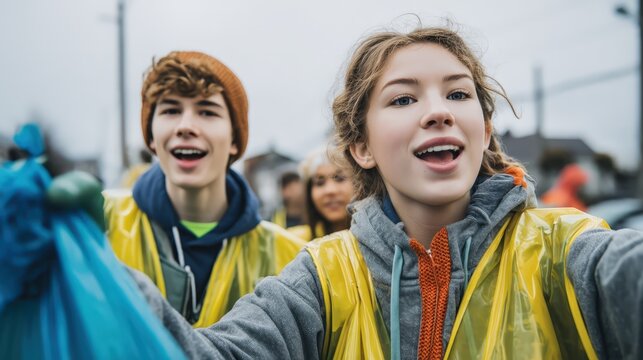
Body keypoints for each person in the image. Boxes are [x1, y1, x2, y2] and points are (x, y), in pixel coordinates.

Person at [59, 26, 643, 359]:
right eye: (403, 98)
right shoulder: (318, 276)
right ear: (360, 146)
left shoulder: (565, 255)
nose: (438, 110)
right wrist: (84, 265)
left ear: (485, 130)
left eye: (459, 94)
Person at [102, 51, 306, 327]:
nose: (186, 126)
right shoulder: (100, 225)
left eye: (207, 112)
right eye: (171, 110)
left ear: (235, 139)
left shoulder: (292, 257)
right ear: (151, 137)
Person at [287, 146, 354, 241]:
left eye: (340, 178)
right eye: (319, 182)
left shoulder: (380, 235)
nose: (330, 190)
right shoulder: (295, 241)